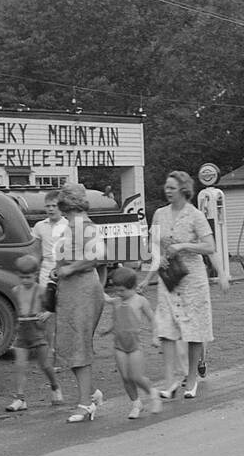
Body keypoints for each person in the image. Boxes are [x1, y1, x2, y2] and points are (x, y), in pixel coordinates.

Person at [148, 170, 216, 399]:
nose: (167, 191)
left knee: (194, 330)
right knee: (167, 329)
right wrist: (153, 267)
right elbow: (153, 245)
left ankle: (192, 380)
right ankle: (170, 381)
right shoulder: (159, 214)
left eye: (172, 188)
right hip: (168, 278)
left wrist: (184, 246)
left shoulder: (195, 215)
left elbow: (209, 246)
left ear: (183, 190)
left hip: (192, 278)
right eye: (166, 187)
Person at [54, 182, 106, 422]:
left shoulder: (84, 225)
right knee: (69, 344)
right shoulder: (72, 225)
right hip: (71, 290)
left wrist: (69, 269)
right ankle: (91, 393)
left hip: (83, 289)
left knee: (79, 344)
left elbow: (97, 255)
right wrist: (60, 270)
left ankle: (85, 404)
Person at [100, 267, 161, 419]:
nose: (118, 294)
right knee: (126, 377)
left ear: (133, 287)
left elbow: (153, 319)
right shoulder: (116, 301)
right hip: (119, 345)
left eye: (121, 291)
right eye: (116, 290)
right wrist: (107, 330)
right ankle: (136, 403)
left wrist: (155, 336)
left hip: (135, 345)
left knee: (137, 376)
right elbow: (114, 314)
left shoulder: (140, 301)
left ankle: (152, 393)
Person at [5, 254, 63, 411]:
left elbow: (53, 306)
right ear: (18, 275)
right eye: (22, 277)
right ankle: (20, 398)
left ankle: (55, 386)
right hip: (22, 332)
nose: (25, 280)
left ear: (36, 274)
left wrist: (47, 313)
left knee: (44, 364)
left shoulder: (42, 290)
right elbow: (15, 311)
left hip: (38, 332)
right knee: (20, 365)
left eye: (29, 277)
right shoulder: (16, 291)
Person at [31, 188, 69, 367]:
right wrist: (33, 273)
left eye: (54, 206)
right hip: (46, 273)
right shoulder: (40, 226)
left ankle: (63, 355)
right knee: (47, 315)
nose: (51, 209)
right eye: (48, 206)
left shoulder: (68, 226)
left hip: (64, 271)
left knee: (63, 313)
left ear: (60, 206)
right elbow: (36, 252)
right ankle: (51, 354)